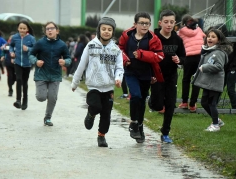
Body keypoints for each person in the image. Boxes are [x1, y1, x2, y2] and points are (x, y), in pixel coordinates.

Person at [71, 17, 124, 147]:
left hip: (109, 87)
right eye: (104, 29)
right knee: (96, 106)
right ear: (99, 30)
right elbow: (82, 65)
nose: (106, 31)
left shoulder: (116, 50)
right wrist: (75, 82)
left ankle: (101, 136)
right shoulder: (91, 46)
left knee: (106, 114)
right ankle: (91, 114)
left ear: (113, 32)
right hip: (94, 85)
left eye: (109, 29)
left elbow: (119, 68)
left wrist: (118, 78)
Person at [118, 12, 164, 143]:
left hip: (146, 73)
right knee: (136, 96)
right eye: (141, 23)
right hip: (131, 72)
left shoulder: (153, 38)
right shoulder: (127, 35)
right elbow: (119, 48)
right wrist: (125, 60)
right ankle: (133, 122)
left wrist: (142, 55)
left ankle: (140, 126)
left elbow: (159, 56)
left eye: (147, 23)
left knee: (142, 100)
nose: (144, 26)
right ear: (135, 24)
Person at [149, 10, 186, 143]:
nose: (169, 25)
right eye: (166, 22)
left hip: (171, 76)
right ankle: (152, 102)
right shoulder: (153, 37)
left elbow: (183, 57)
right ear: (160, 23)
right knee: (158, 105)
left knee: (170, 104)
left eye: (171, 22)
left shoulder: (177, 39)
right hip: (156, 76)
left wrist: (179, 60)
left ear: (175, 23)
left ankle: (165, 133)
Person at [29, 22, 71, 126]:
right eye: (47, 29)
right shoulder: (40, 43)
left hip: (55, 75)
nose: (49, 30)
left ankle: (47, 118)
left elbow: (68, 58)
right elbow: (31, 55)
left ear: (57, 31)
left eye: (52, 28)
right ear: (45, 31)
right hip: (41, 74)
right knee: (41, 97)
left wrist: (65, 62)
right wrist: (36, 61)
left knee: (52, 98)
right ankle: (43, 93)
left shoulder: (62, 44)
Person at [192, 28, 232, 132]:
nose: (210, 38)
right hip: (208, 84)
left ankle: (215, 125)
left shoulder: (218, 52)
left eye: (213, 37)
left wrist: (205, 67)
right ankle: (217, 120)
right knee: (204, 102)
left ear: (218, 40)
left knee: (211, 104)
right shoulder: (209, 51)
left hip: (215, 84)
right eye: (208, 36)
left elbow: (219, 66)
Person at [178, 14, 206, 112]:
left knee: (186, 79)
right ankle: (193, 104)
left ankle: (184, 102)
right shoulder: (199, 30)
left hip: (188, 57)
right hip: (199, 57)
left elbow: (178, 40)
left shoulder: (181, 32)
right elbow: (205, 37)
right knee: (196, 80)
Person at [9, 20, 36, 110]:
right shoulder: (15, 37)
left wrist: (28, 48)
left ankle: (25, 101)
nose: (22, 30)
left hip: (27, 64)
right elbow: (11, 46)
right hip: (17, 62)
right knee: (18, 79)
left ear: (27, 29)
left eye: (24, 28)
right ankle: (18, 100)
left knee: (24, 82)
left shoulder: (31, 38)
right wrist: (12, 52)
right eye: (20, 28)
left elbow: (36, 49)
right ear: (18, 28)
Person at [214, 24, 236, 109]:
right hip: (222, 68)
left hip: (233, 68)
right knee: (219, 88)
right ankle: (213, 106)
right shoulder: (218, 42)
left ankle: (235, 108)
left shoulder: (233, 40)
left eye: (220, 30)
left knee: (230, 89)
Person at [1, 32, 16, 96]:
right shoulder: (7, 45)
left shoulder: (18, 44)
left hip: (16, 63)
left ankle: (12, 82)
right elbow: (3, 52)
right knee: (10, 76)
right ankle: (10, 89)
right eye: (11, 37)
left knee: (15, 77)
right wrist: (2, 56)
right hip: (8, 63)